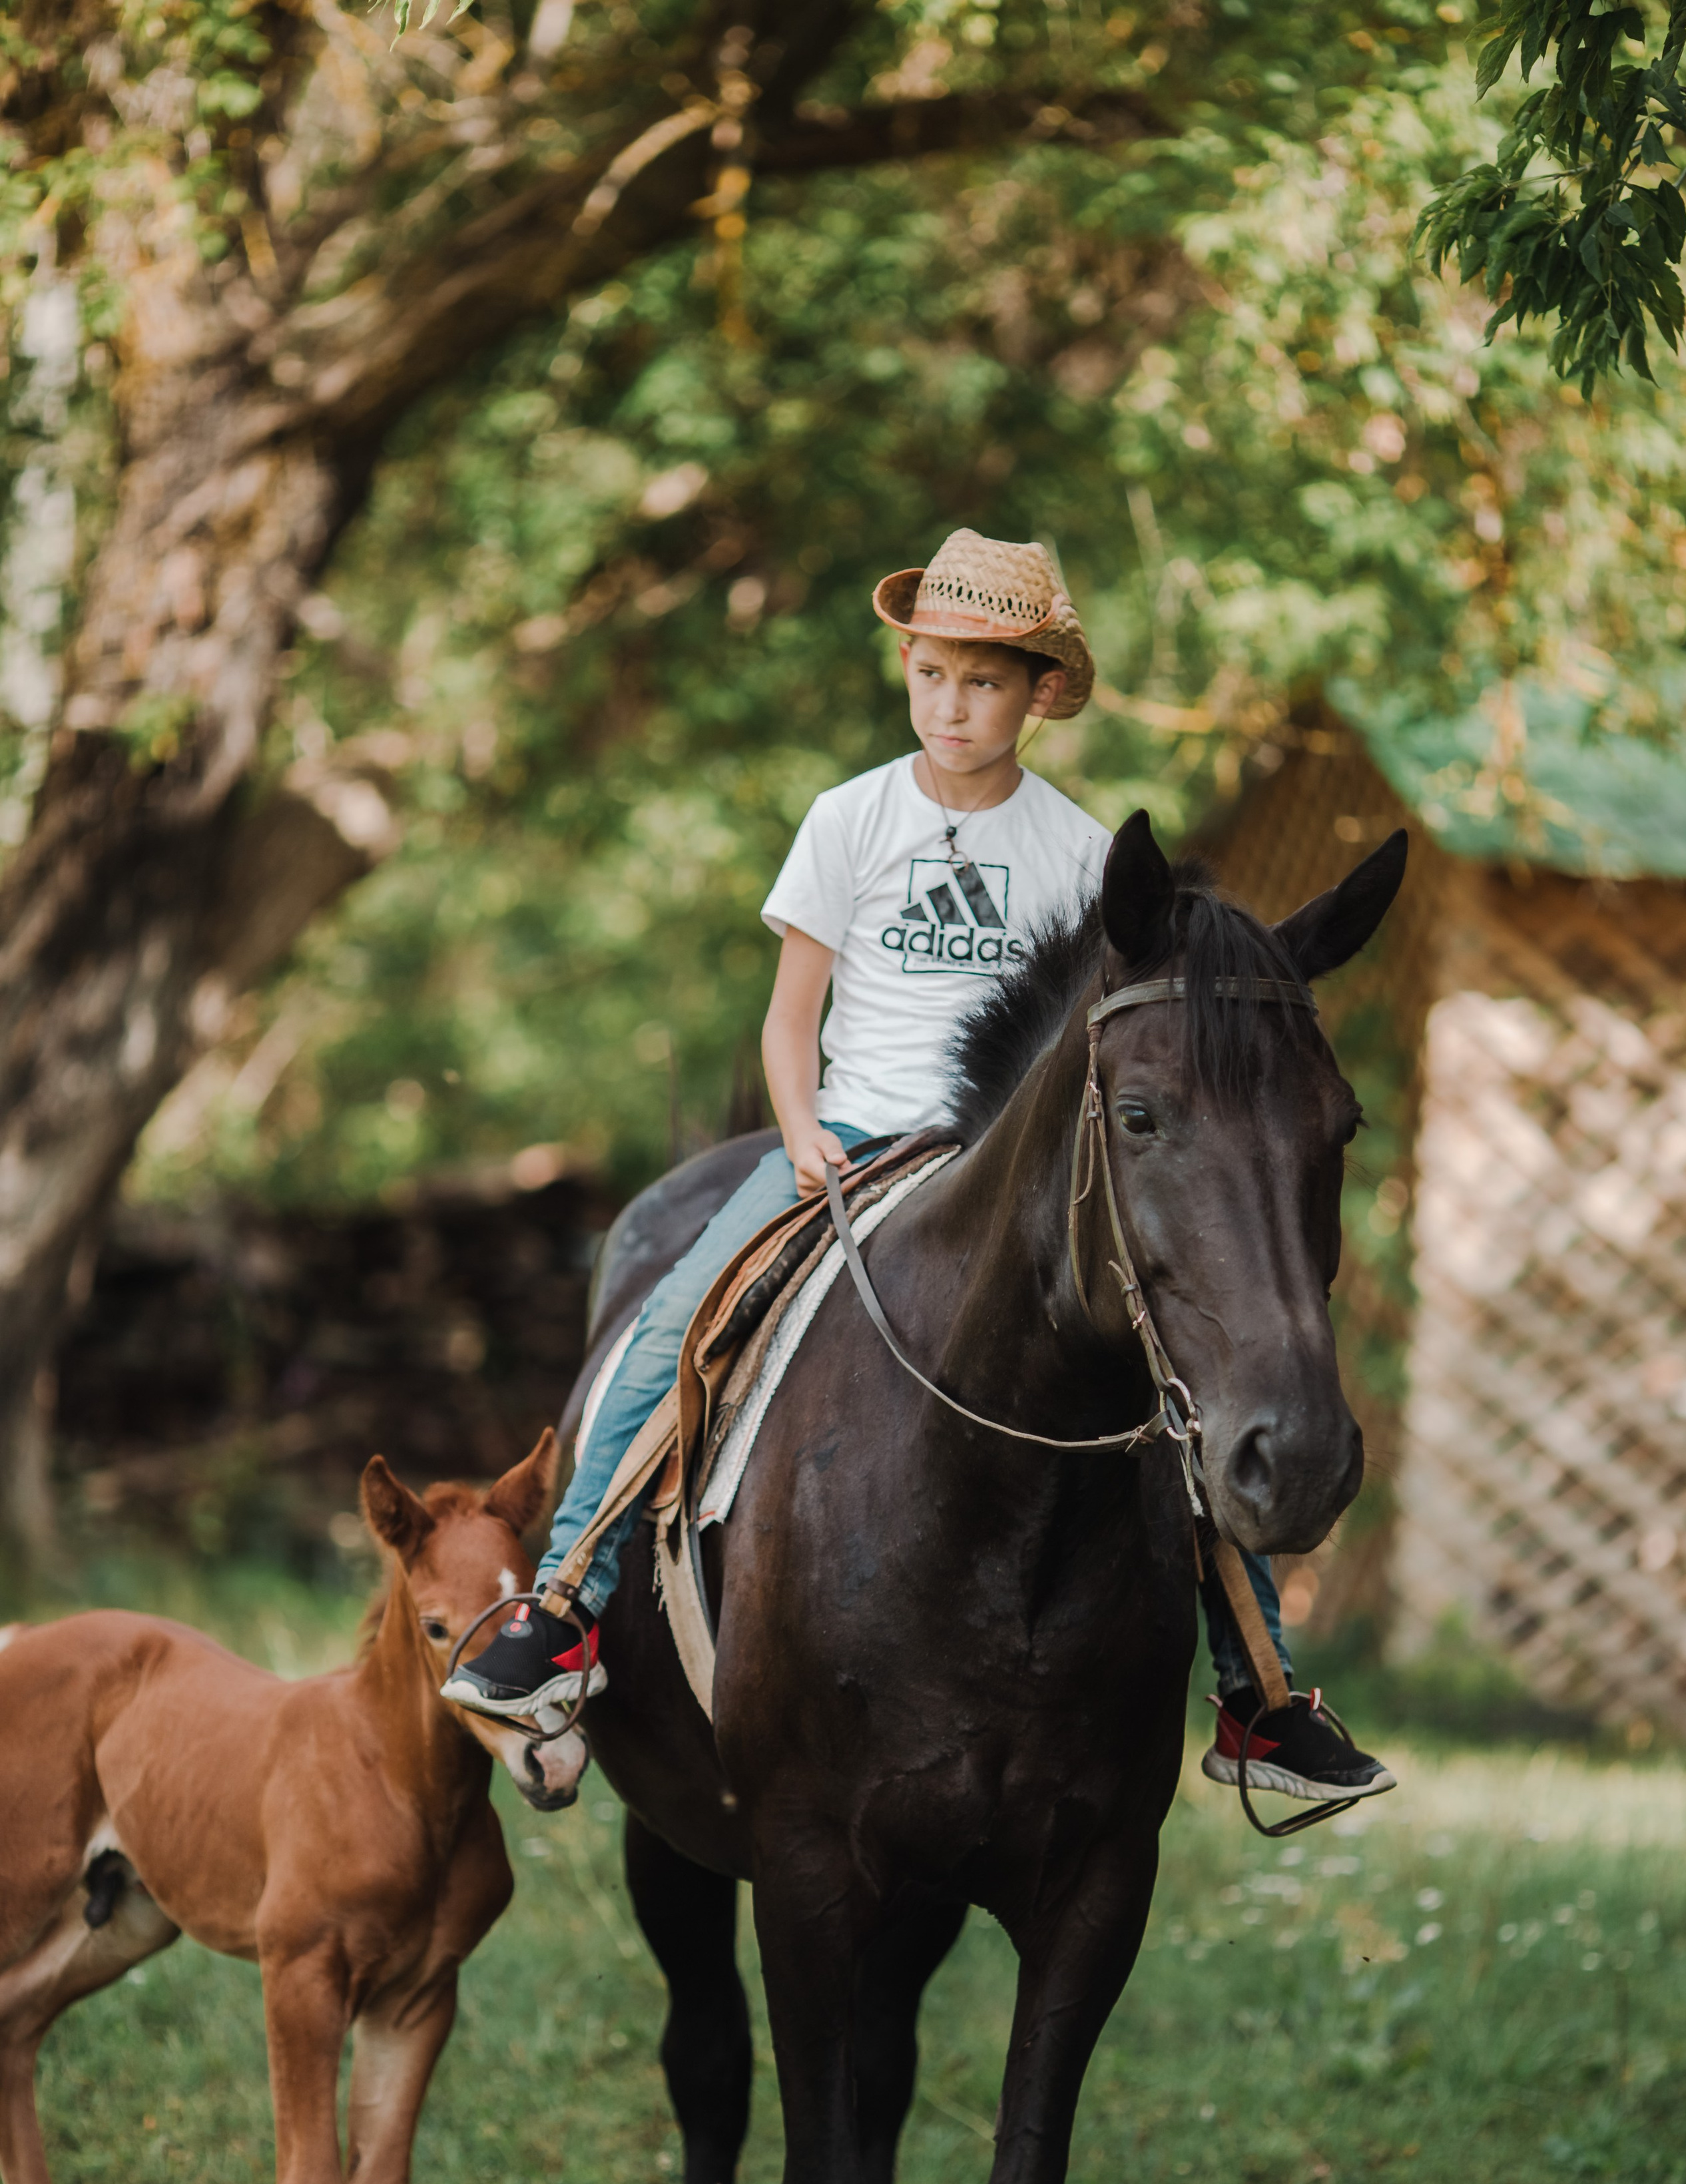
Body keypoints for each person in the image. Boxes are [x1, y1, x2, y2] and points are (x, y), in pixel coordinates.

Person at [445, 529, 1392, 1811]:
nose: (952, 707)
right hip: (847, 1142)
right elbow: (792, 1016)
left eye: (984, 683)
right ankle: (563, 1602)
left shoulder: (1079, 851)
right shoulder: (851, 818)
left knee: (1171, 1385)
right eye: (932, 675)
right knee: (678, 1317)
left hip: (1007, 1169)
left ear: (1040, 693)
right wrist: (799, 1132)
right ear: (907, 670)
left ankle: (1261, 1693)